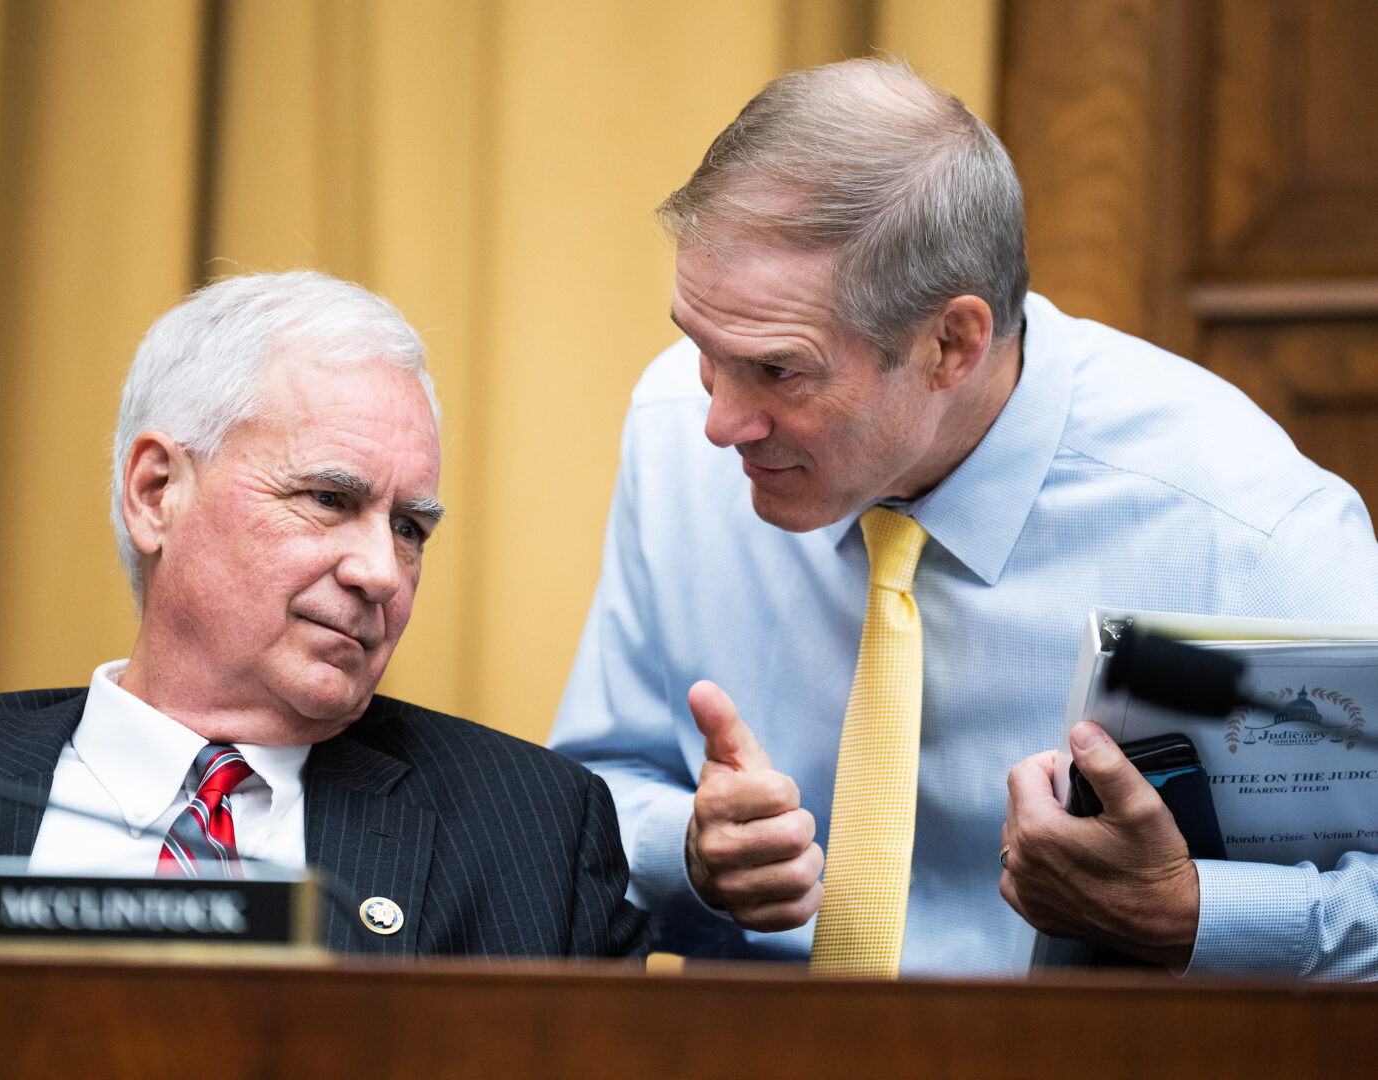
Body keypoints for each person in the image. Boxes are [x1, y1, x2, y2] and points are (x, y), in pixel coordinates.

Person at [548, 58, 1378, 979]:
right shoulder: (672, 432)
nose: (718, 422)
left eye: (779, 370)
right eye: (703, 348)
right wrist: (690, 855)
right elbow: (595, 796)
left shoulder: (1250, 528)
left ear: (952, 343)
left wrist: (1196, 915)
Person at [0, 270, 645, 960]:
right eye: (329, 499)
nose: (383, 571)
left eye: (410, 527)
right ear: (156, 492)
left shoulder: (529, 837)